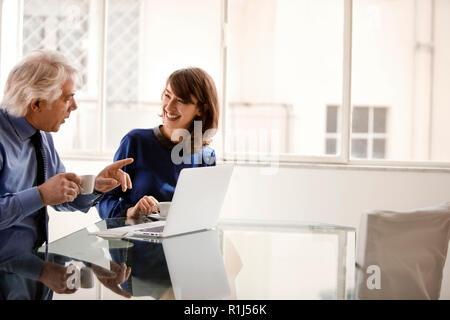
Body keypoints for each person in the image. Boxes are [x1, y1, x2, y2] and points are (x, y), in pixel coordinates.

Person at [0, 50, 133, 268]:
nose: (75, 106)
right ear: (36, 104)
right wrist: (41, 195)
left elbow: (60, 198)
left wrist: (95, 187)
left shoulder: (42, 135)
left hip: (35, 268)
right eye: (67, 98)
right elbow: (46, 195)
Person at [97, 67, 219, 219]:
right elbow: (104, 201)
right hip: (137, 240)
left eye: (180, 100)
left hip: (184, 241)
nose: (169, 106)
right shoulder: (136, 142)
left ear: (201, 109)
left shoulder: (206, 156)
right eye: (167, 95)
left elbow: (207, 212)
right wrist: (131, 212)